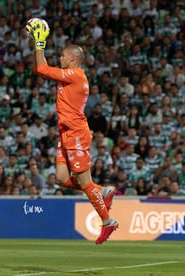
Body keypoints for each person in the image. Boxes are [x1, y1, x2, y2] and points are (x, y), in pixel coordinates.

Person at [28, 18, 118, 244]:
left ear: (73, 58)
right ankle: (101, 191)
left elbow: (41, 68)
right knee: (60, 178)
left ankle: (108, 222)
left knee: (84, 181)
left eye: (62, 56)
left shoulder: (77, 75)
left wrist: (40, 43)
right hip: (65, 132)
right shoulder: (70, 76)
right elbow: (41, 69)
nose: (60, 58)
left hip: (76, 133)